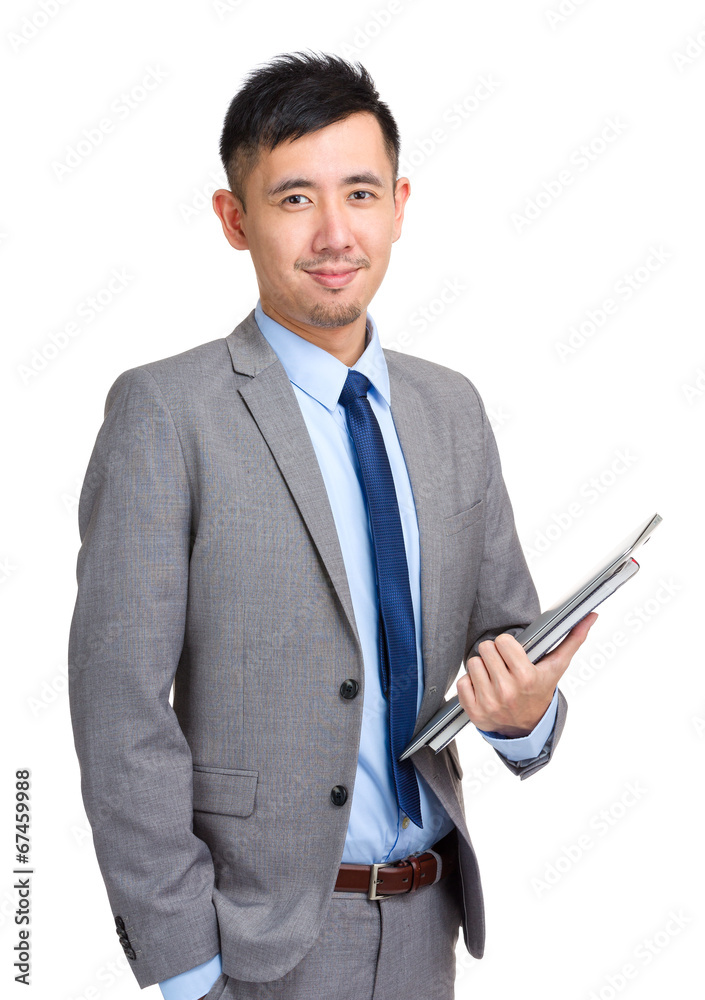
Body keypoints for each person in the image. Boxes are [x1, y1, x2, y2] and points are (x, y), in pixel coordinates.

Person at [68, 51, 596, 1000]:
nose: (335, 232)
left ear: (399, 203)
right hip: (255, 944)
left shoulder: (450, 410)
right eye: (294, 199)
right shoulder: (165, 413)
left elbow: (503, 634)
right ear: (235, 220)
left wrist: (525, 722)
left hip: (429, 923)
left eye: (359, 192)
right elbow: (121, 715)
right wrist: (188, 969)